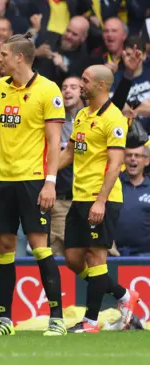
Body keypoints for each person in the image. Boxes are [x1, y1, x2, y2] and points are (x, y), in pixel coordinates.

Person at [0, 32, 67, 337]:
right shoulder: (0, 88)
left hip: (33, 179)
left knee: (38, 246)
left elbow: (55, 142)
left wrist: (50, 182)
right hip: (0, 178)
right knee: (4, 247)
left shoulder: (48, 90)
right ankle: (4, 320)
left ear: (19, 57)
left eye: (3, 54)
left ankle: (56, 318)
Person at [58, 65, 139, 332]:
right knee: (72, 258)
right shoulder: (82, 114)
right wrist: (44, 174)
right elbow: (70, 152)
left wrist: (101, 201)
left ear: (101, 86)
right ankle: (124, 296)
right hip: (78, 197)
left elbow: (115, 165)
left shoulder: (113, 119)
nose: (80, 85)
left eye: (85, 80)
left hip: (102, 198)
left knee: (96, 258)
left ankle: (90, 322)